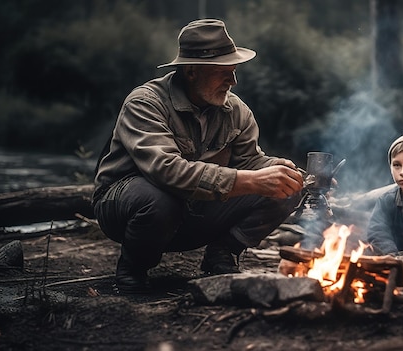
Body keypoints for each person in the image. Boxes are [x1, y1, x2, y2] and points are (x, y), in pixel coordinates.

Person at [92, 19, 304, 294]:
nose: (233, 81)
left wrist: (281, 171)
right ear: (192, 71)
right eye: (224, 72)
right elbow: (166, 170)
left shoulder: (236, 111)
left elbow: (249, 162)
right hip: (126, 208)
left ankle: (221, 253)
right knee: (156, 199)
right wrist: (251, 180)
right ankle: (133, 267)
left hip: (191, 210)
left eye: (234, 71)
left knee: (285, 187)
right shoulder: (145, 103)